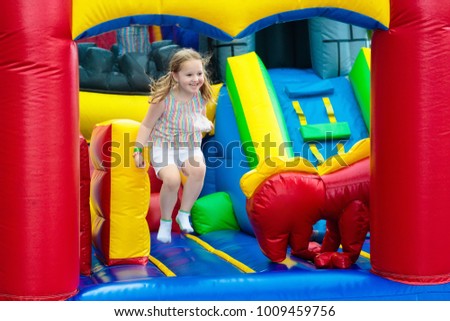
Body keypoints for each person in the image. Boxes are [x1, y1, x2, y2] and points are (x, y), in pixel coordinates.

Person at [133, 48, 214, 243]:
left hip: (189, 146)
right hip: (164, 146)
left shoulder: (200, 96)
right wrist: (138, 149)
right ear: (175, 76)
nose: (196, 79)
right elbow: (146, 125)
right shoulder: (164, 100)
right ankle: (166, 221)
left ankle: (183, 214)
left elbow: (198, 119)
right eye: (189, 75)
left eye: (199, 73)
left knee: (199, 170)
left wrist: (206, 124)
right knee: (171, 180)